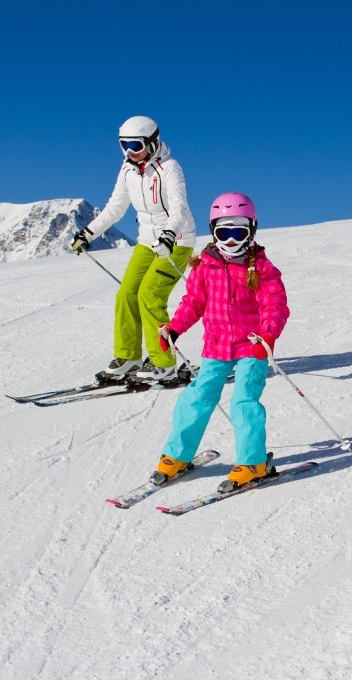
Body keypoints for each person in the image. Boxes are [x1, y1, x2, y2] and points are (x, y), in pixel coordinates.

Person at [149, 192, 290, 493]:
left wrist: (268, 335)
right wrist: (174, 329)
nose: (230, 239)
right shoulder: (205, 266)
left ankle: (253, 463)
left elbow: (274, 303)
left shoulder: (262, 268)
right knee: (196, 397)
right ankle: (178, 455)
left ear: (251, 230)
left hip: (252, 347)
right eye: (222, 232)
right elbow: (193, 303)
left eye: (237, 232)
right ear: (212, 231)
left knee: (243, 401)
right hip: (216, 346)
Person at [71, 115, 196, 382]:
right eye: (124, 145)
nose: (130, 152)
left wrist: (169, 236)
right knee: (126, 294)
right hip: (147, 242)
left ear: (152, 143)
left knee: (149, 295)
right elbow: (115, 208)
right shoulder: (127, 170)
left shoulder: (170, 168)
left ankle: (163, 362)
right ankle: (129, 358)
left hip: (177, 240)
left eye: (135, 145)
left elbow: (180, 209)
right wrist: (88, 233)